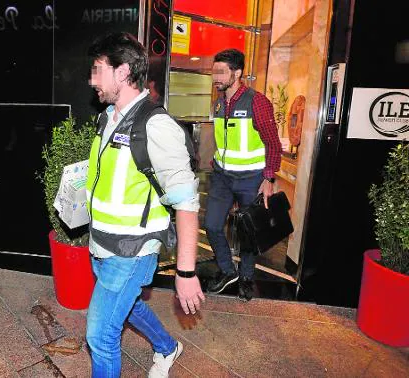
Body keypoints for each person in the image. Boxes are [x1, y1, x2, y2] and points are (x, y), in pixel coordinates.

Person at [86, 32, 205, 378]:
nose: (92, 80)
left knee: (100, 336)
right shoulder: (107, 117)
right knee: (130, 306)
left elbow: (186, 204)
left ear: (122, 72)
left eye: (98, 70)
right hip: (103, 245)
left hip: (132, 251)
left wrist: (185, 273)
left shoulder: (155, 126)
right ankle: (168, 348)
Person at [205, 49, 281, 301]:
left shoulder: (256, 102)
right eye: (214, 71)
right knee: (212, 225)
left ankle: (246, 276)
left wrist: (268, 179)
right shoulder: (218, 102)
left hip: (251, 177)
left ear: (237, 73)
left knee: (249, 231)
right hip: (223, 177)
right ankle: (228, 271)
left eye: (221, 72)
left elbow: (272, 142)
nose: (215, 77)